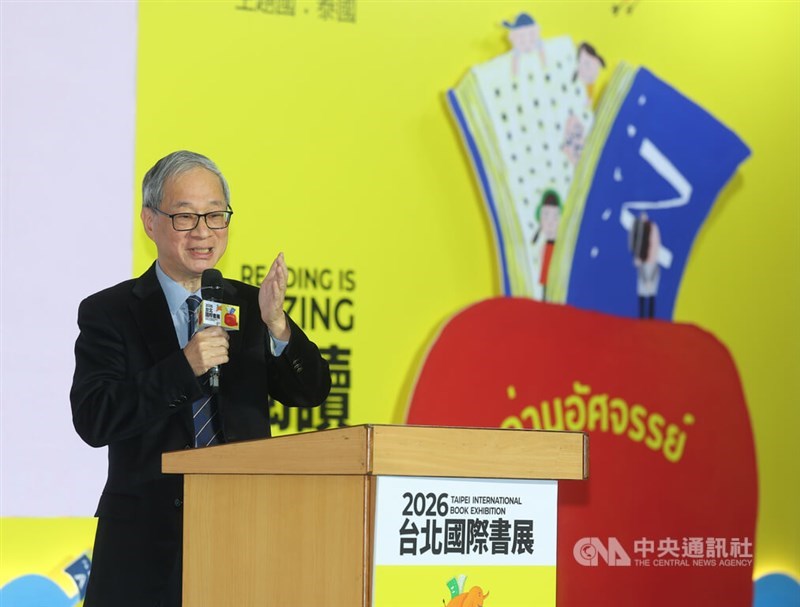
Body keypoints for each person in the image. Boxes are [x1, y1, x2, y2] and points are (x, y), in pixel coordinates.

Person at [70, 150, 331, 607]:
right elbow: (95, 418)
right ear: (150, 221)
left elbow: (310, 391)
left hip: (244, 538)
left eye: (215, 215)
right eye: (186, 217)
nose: (204, 232)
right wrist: (183, 367)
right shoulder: (109, 312)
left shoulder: (253, 308)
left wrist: (278, 328)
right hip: (145, 550)